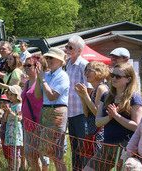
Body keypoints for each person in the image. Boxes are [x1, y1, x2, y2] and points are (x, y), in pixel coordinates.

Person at [84, 62, 142, 171]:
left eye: (118, 76)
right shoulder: (106, 96)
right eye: (113, 75)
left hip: (125, 146)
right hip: (107, 145)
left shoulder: (134, 98)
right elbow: (98, 122)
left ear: (128, 79)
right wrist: (109, 117)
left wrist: (116, 116)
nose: (114, 78)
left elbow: (136, 126)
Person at [35, 47, 69, 171]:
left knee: (57, 152)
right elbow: (38, 95)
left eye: (51, 58)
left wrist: (42, 79)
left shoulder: (63, 76)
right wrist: (40, 78)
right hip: (46, 111)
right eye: (47, 57)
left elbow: (52, 96)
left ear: (60, 61)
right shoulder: (46, 75)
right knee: (46, 150)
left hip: (57, 112)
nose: (48, 60)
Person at [65, 35, 92, 171]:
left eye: (71, 47)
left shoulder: (84, 64)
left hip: (82, 113)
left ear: (80, 50)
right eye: (66, 46)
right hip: (70, 112)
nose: (67, 49)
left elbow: (90, 88)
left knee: (83, 148)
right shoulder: (68, 64)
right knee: (74, 147)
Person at [75, 61, 109, 157]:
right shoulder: (94, 90)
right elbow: (87, 114)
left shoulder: (101, 89)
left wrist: (86, 95)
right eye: (86, 70)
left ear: (99, 72)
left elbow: (97, 113)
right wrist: (82, 97)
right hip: (92, 132)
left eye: (89, 70)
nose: (86, 73)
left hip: (99, 134)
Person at [21, 55, 49, 170]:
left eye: (29, 65)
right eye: (25, 65)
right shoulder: (27, 82)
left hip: (39, 123)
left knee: (43, 156)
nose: (26, 68)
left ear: (37, 66)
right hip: (27, 123)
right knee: (30, 154)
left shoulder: (42, 81)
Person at [4, 85, 23, 171]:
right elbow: (5, 119)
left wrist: (11, 112)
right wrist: (7, 112)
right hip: (10, 129)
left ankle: (16, 168)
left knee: (16, 152)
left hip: (16, 130)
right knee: (11, 152)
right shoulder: (10, 105)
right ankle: (12, 168)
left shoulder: (19, 105)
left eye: (12, 94)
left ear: (17, 95)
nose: (10, 96)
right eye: (9, 94)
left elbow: (19, 118)